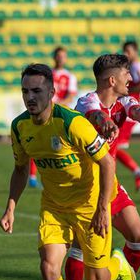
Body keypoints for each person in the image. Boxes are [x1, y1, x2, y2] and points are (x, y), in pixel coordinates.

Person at [0, 64, 136, 280]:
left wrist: (101, 210)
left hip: (88, 206)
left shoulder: (71, 122)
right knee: (48, 268)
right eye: (25, 91)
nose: (30, 97)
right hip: (54, 208)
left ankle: (119, 262)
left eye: (36, 90)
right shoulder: (19, 126)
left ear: (51, 92)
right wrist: (11, 206)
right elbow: (21, 169)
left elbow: (107, 162)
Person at [66, 54, 140, 280]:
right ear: (112, 79)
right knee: (79, 246)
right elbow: (94, 115)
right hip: (86, 187)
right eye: (127, 74)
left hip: (111, 184)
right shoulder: (86, 102)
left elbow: (135, 109)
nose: (132, 79)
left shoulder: (123, 101)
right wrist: (102, 123)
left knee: (138, 237)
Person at [28, 46, 79, 188]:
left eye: (63, 56)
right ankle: (32, 177)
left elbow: (71, 95)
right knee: (37, 141)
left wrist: (58, 104)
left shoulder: (70, 76)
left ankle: (61, 176)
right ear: (54, 57)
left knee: (59, 146)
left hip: (59, 114)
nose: (61, 58)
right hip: (45, 112)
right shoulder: (47, 74)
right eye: (59, 56)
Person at [115, 41, 140, 191]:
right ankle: (135, 171)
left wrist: (125, 91)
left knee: (112, 145)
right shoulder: (132, 66)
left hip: (130, 110)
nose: (126, 54)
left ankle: (135, 171)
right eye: (124, 51)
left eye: (128, 51)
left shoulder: (136, 66)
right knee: (112, 144)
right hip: (129, 109)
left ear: (135, 51)